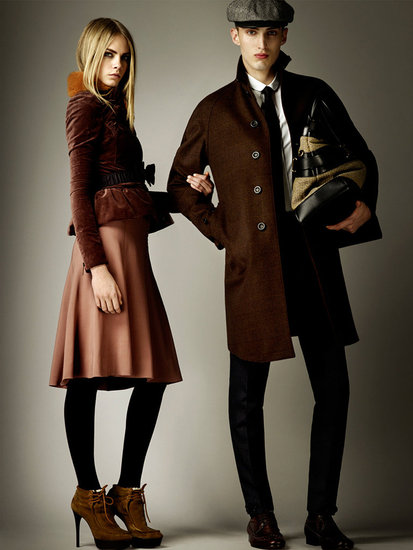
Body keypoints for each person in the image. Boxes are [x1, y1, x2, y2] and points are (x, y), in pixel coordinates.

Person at [167, 1, 380, 549]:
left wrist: (365, 205)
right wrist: (224, 230)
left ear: (283, 35)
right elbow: (179, 185)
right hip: (253, 265)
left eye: (270, 32)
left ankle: (320, 516)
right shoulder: (214, 109)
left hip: (312, 255)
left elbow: (360, 155)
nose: (260, 43)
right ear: (234, 37)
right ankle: (259, 514)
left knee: (333, 388)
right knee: (246, 396)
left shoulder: (315, 92)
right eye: (250, 32)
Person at [50, 18, 181, 550]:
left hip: (132, 254)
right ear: (89, 55)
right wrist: (96, 267)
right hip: (102, 255)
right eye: (108, 55)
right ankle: (88, 495)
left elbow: (126, 189)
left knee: (152, 374)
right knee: (86, 375)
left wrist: (186, 193)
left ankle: (127, 492)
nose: (118, 65)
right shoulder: (84, 106)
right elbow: (80, 193)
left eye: (124, 56)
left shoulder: (113, 110)